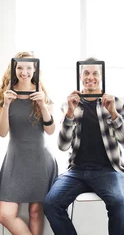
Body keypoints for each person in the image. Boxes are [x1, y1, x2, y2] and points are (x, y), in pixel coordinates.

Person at [44, 58, 124, 235]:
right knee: (51, 204)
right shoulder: (69, 104)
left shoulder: (116, 102)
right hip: (77, 171)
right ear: (80, 76)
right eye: (86, 73)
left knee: (119, 202)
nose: (91, 77)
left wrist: (113, 113)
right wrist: (70, 114)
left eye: (95, 73)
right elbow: (63, 146)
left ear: (101, 76)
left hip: (108, 170)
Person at [0, 51, 57, 235]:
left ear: (34, 69)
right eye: (20, 67)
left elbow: (51, 131)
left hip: (39, 158)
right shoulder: (5, 95)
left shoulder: (42, 94)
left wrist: (43, 106)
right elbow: (2, 132)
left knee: (36, 212)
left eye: (28, 67)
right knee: (5, 214)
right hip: (15, 158)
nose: (24, 72)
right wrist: (6, 105)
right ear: (14, 69)